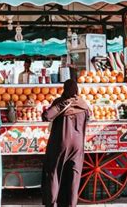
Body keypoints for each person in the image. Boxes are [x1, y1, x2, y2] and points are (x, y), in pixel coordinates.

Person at [41, 79, 90, 207]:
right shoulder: (83, 104)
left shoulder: (61, 102)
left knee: (54, 172)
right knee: (73, 175)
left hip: (61, 143)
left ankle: (52, 203)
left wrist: (59, 105)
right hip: (78, 144)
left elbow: (46, 116)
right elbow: (88, 117)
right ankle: (70, 204)